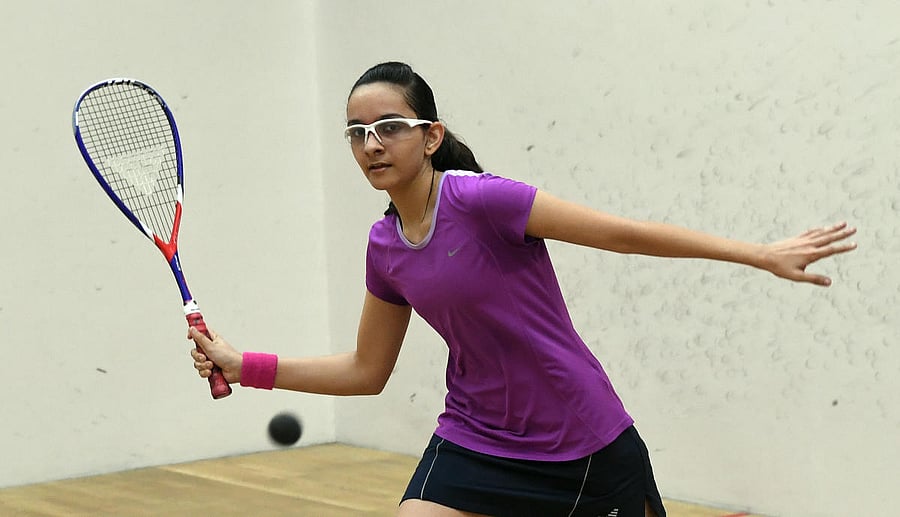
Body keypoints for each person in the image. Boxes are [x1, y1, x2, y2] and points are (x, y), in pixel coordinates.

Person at [188, 61, 857, 517]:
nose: (371, 144)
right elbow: (367, 370)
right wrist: (245, 366)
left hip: (584, 441)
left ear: (431, 135)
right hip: (476, 437)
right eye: (356, 133)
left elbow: (622, 234)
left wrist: (759, 253)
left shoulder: (484, 202)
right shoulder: (384, 246)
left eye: (389, 126)